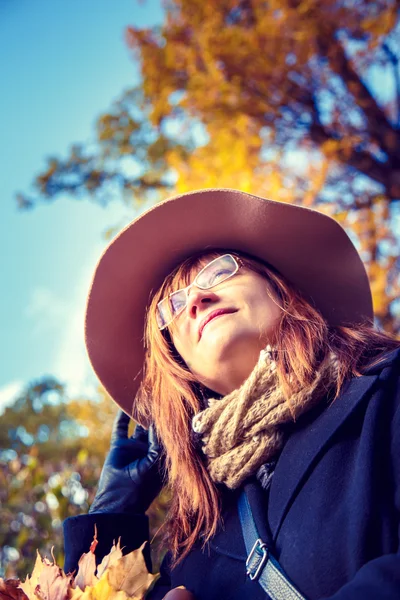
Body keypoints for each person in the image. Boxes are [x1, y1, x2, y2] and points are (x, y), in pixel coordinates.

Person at [63, 189, 400, 599]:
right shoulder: (195, 538)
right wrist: (113, 511)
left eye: (219, 272)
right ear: (180, 363)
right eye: (172, 306)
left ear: (279, 287)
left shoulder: (387, 388)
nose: (197, 301)